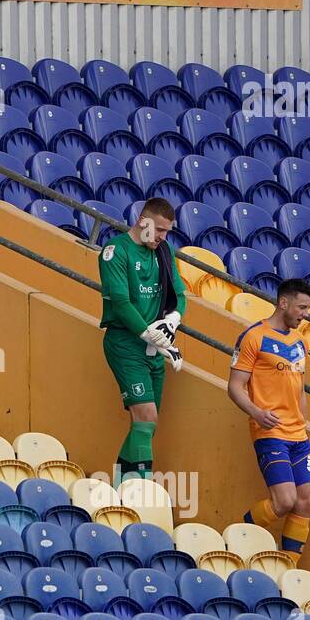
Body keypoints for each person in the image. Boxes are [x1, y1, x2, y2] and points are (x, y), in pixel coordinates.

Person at [228, 278, 310, 565]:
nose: (305, 314)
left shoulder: (301, 342)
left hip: (298, 435)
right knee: (285, 501)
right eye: (302, 307)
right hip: (270, 431)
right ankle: (236, 540)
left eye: (308, 309)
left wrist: (304, 421)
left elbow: (299, 388)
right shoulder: (254, 337)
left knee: (305, 502)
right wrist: (256, 413)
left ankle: (289, 568)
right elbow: (234, 386)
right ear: (283, 302)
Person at [97, 197, 186, 481]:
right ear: (142, 221)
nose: (162, 237)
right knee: (146, 418)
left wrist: (171, 321)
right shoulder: (115, 251)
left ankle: (121, 486)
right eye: (159, 230)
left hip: (154, 348)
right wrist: (150, 334)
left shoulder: (164, 251)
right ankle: (142, 492)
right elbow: (121, 303)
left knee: (146, 424)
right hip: (126, 344)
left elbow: (180, 295)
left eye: (167, 232)